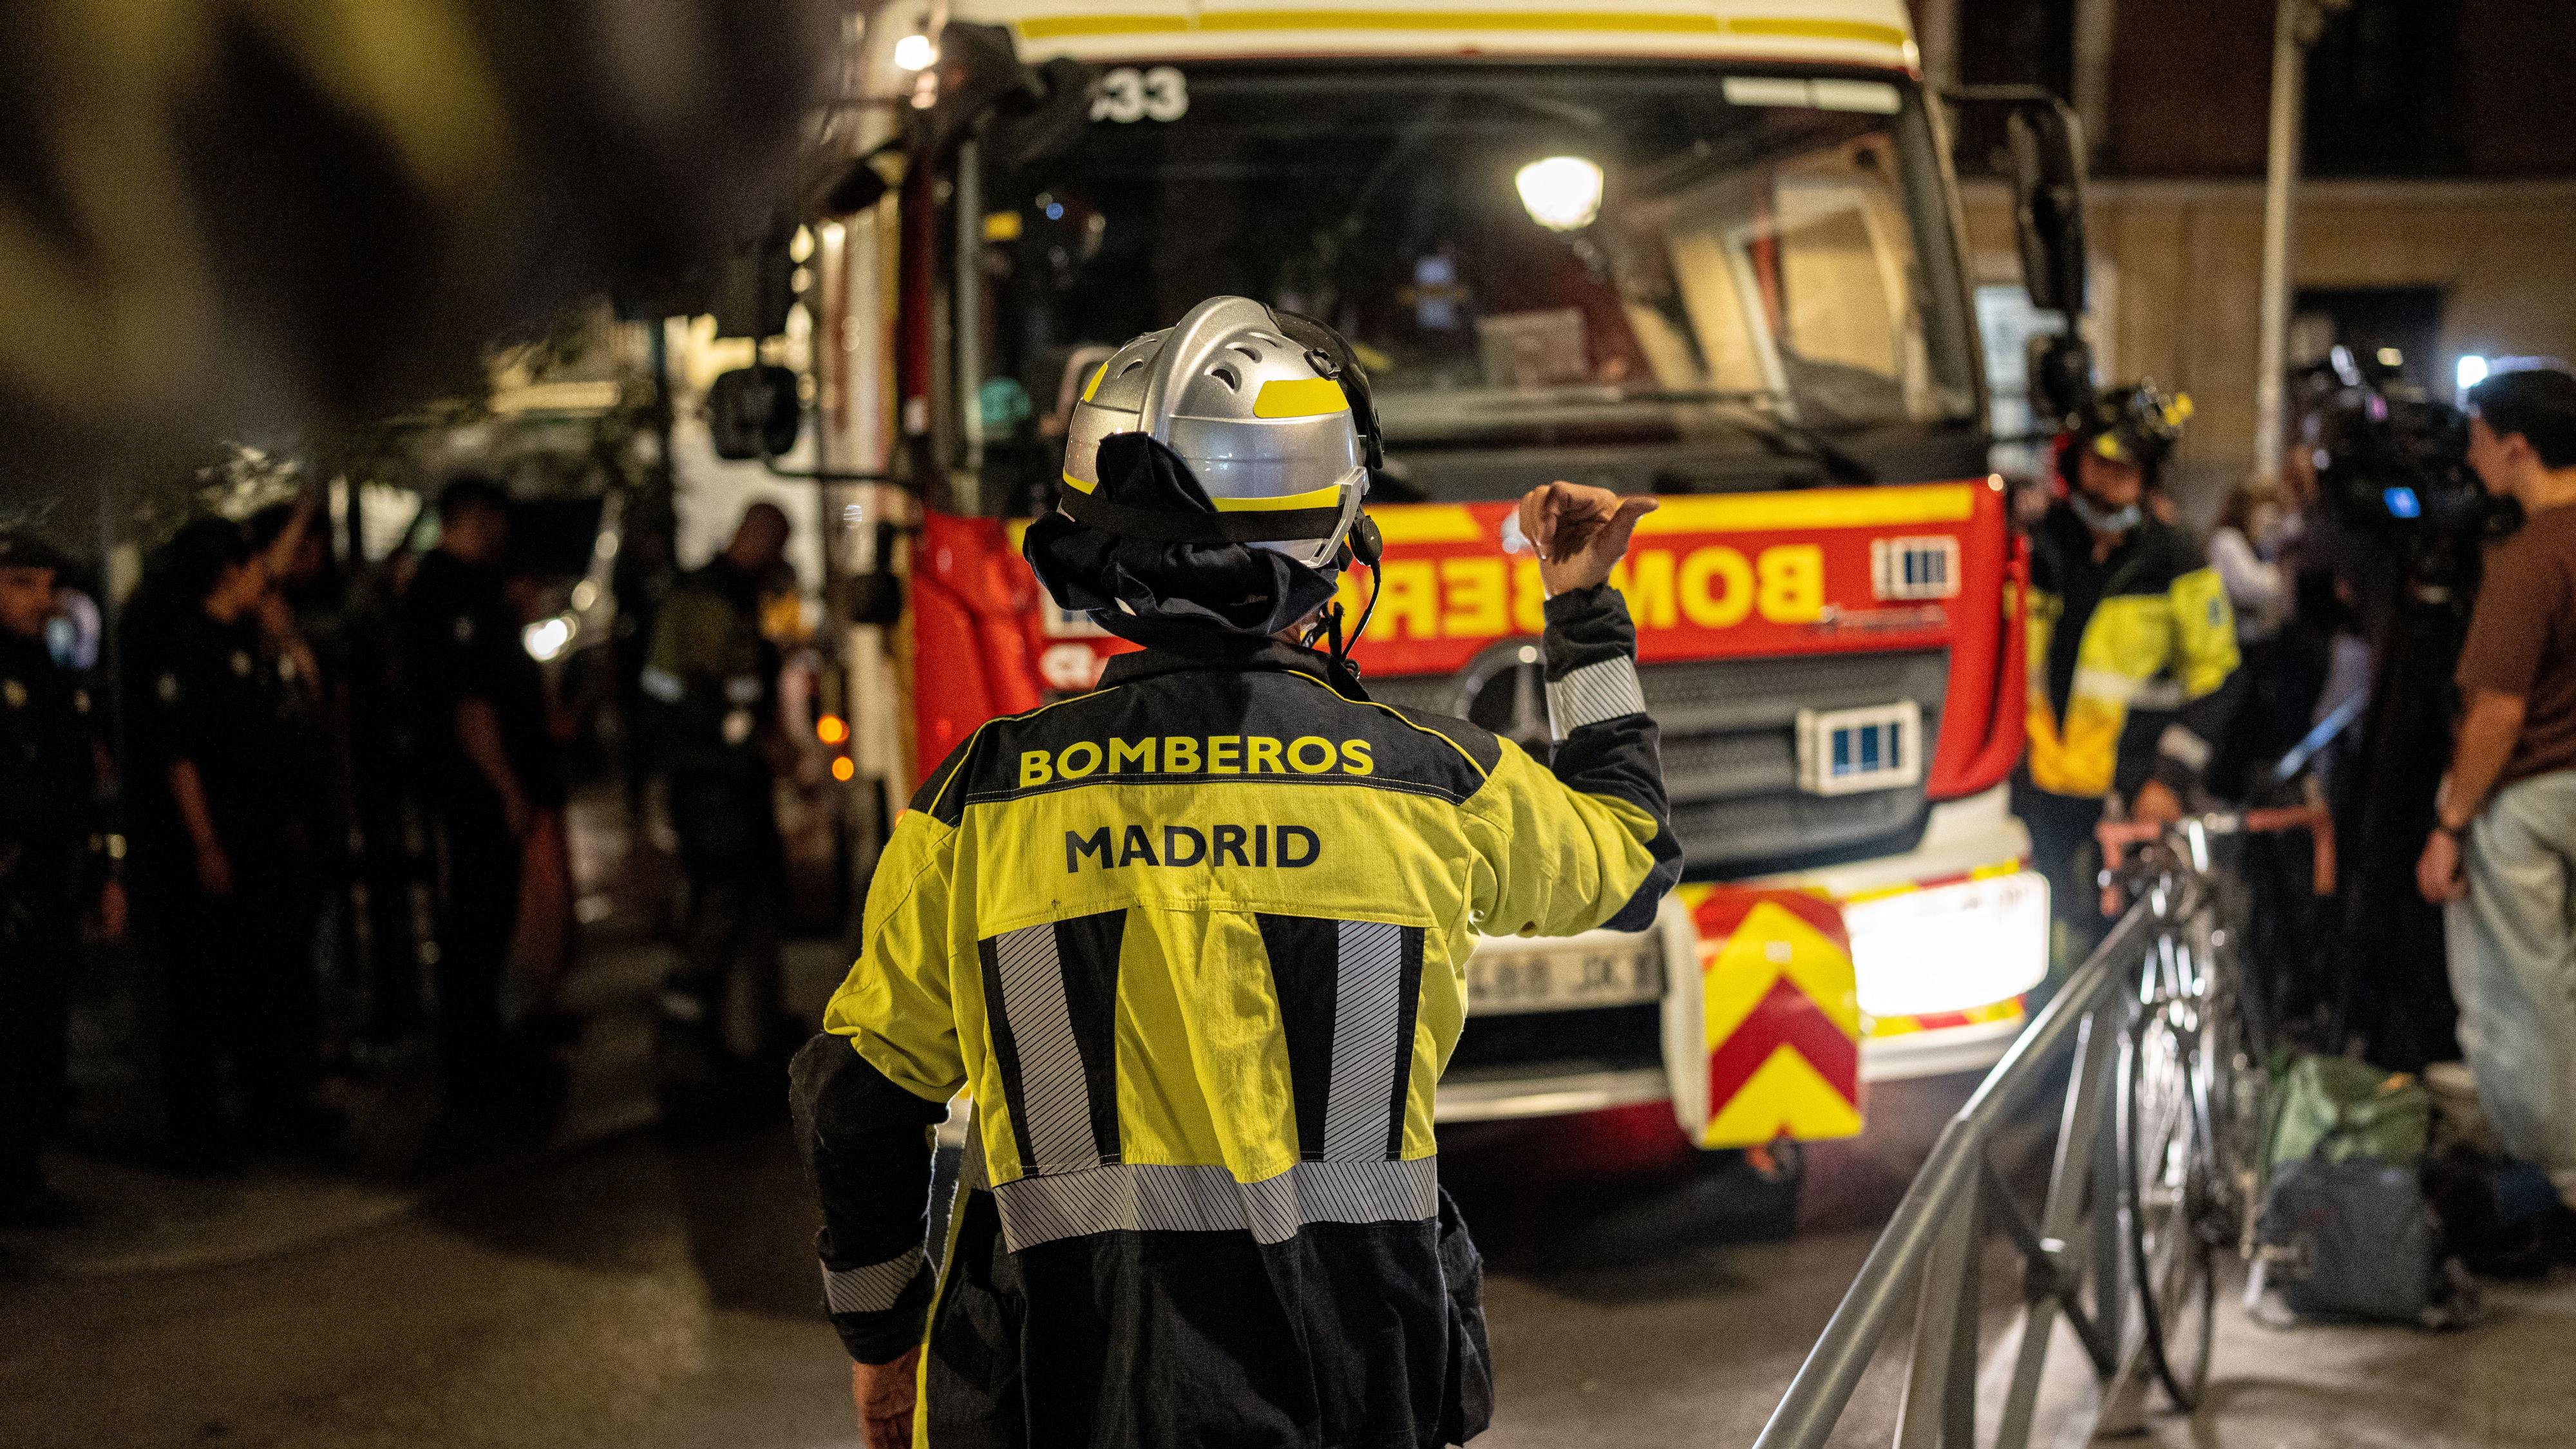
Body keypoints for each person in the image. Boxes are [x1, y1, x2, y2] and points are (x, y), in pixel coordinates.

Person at [789, 297, 1679, 1449]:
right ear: (1335, 541)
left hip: (1057, 1393)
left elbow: (856, 1104)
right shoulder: (1436, 784)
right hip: (1360, 1384)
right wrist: (1583, 608)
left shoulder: (982, 801)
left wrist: (883, 1341)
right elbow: (1632, 853)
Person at [2415, 364, 2576, 1208]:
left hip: (2533, 798)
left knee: (2523, 997)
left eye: (2477, 437)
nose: (2468, 455)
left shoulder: (2532, 557)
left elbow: (2497, 712)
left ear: (2517, 448)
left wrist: (2451, 822)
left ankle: (2551, 1179)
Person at [2018, 383, 2240, 959]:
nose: (2107, 483)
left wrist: (2168, 779)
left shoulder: (2177, 561)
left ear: (2147, 478)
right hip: (2033, 790)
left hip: (2128, 794)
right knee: (2034, 949)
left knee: (2116, 952)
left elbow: (2218, 681)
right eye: (2099, 464)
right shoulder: (2034, 551)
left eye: (2124, 471)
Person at [133, 518, 330, 1166]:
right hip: (222, 839)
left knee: (266, 976)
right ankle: (200, 1129)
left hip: (261, 834)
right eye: (252, 568)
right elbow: (180, 754)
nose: (262, 581)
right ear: (227, 572)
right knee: (207, 984)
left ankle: (273, 1105)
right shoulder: (190, 644)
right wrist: (206, 842)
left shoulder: (242, 640)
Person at [397, 477, 567, 1114]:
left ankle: (486, 1057)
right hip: (474, 788)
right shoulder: (450, 588)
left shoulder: (461, 586)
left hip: (477, 784)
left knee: (486, 926)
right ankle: (475, 1071)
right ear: (479, 519)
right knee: (477, 927)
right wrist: (507, 787)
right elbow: (471, 704)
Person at [641, 500, 799, 1117]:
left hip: (727, 779)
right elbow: (707, 697)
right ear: (755, 538)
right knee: (717, 910)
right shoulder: (708, 599)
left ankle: (748, 1042)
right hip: (710, 783)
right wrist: (759, 741)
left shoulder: (727, 594)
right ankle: (687, 1055)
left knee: (749, 902)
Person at [0, 529, 121, 1224]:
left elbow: (84, 785)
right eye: (22, 584)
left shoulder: (50, 670)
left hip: (51, 879)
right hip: (12, 883)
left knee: (41, 1031)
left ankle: (24, 1172)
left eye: (48, 586)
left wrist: (104, 870)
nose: (41, 600)